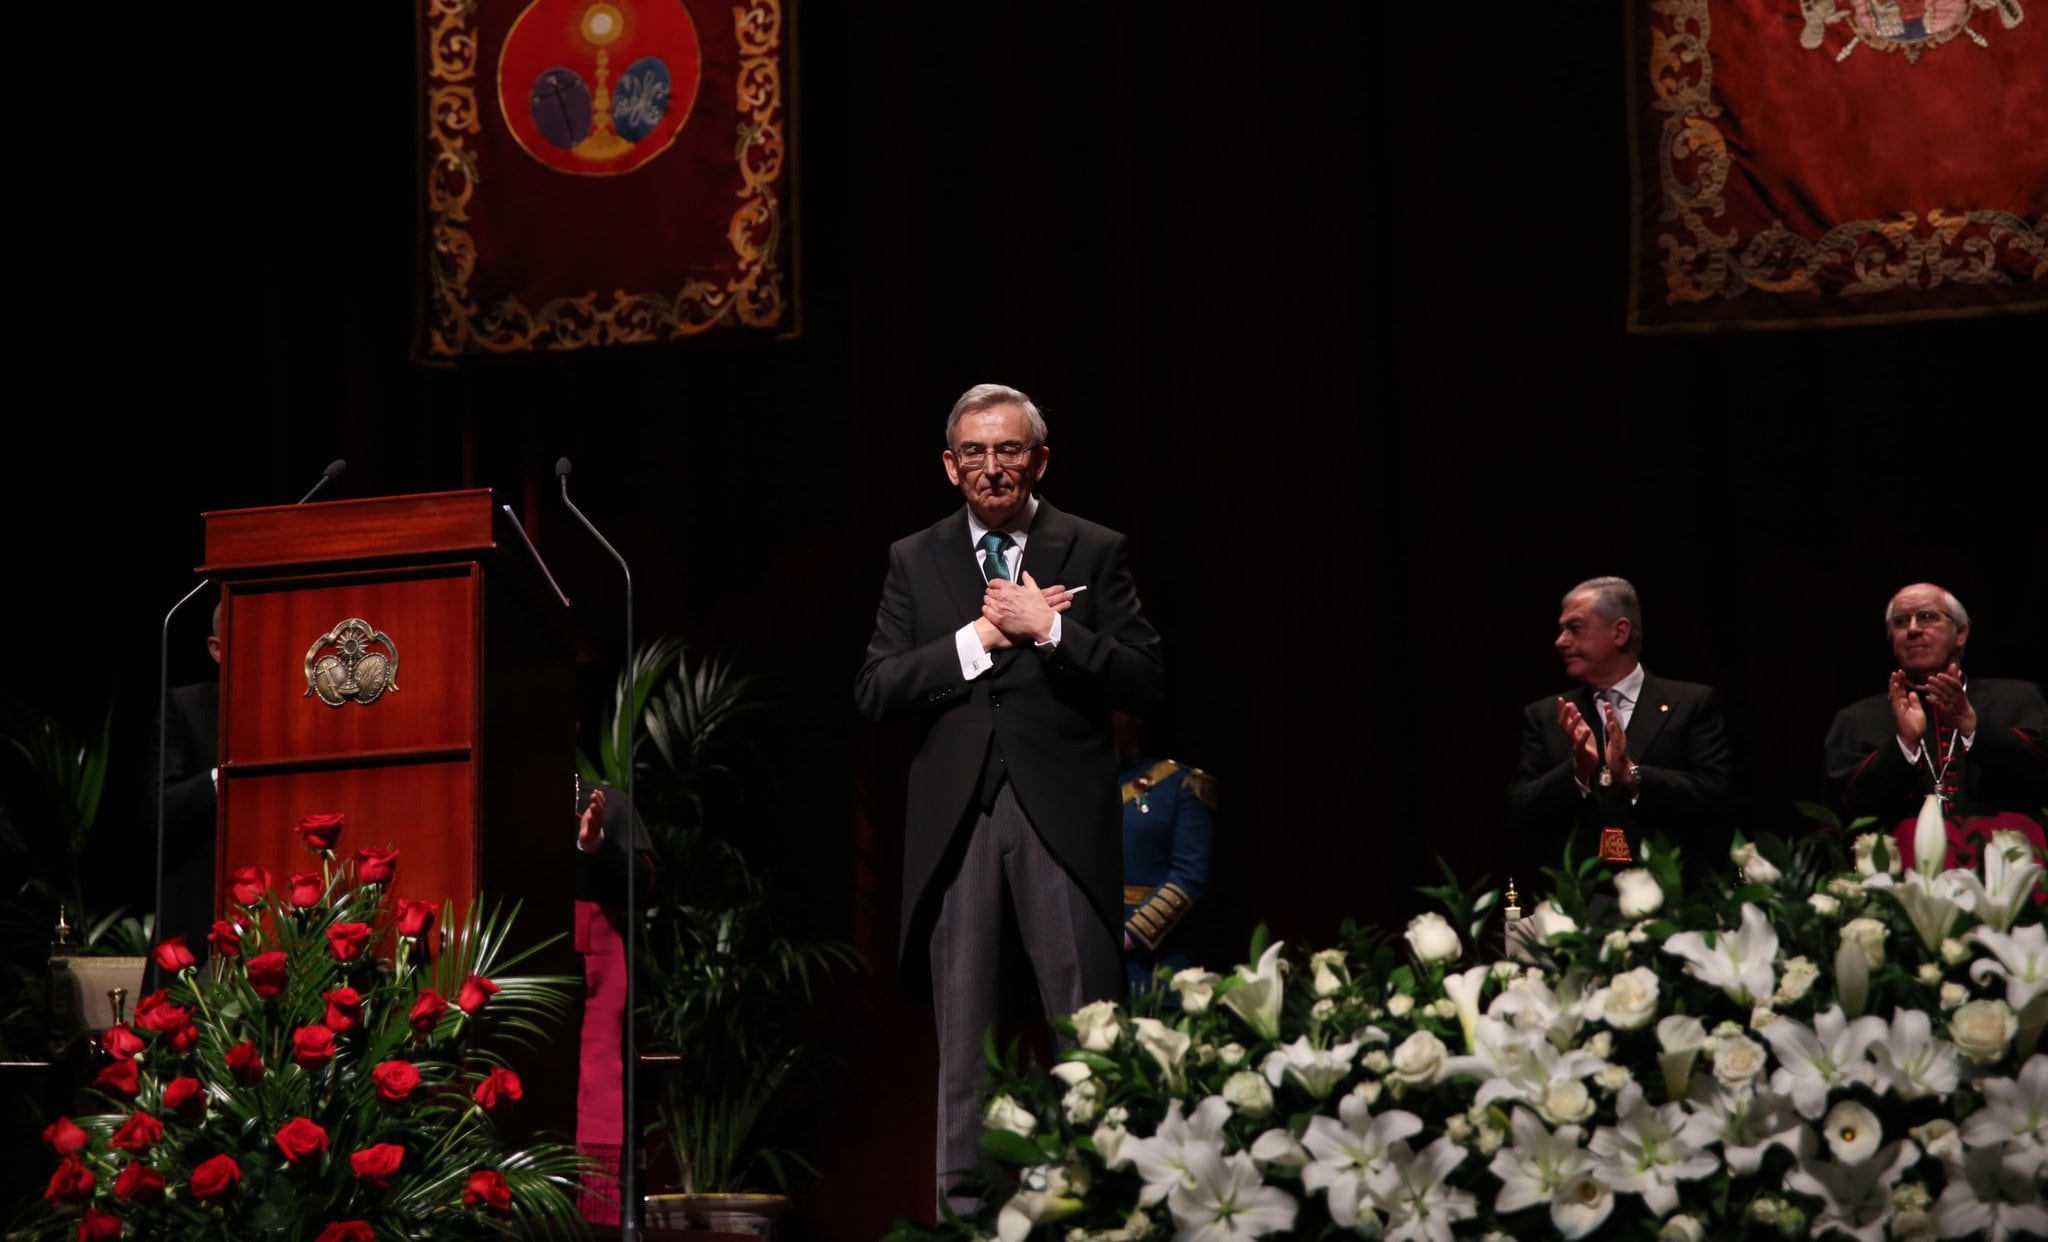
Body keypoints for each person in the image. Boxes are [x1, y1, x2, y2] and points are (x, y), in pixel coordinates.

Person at [854, 382, 1164, 1214]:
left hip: (1060, 817)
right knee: (965, 1048)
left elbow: (1145, 678)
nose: (994, 467)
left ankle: (1106, 1215)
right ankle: (965, 1224)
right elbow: (875, 690)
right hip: (959, 820)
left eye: (1010, 450)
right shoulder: (914, 560)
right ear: (951, 467)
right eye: (977, 453)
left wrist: (1052, 629)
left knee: (1086, 1033)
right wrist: (980, 638)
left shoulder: (1092, 549)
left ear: (1040, 459)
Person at [1506, 576, 1737, 861]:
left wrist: (1632, 775)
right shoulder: (1547, 715)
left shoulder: (1690, 704)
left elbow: (1717, 798)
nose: (1560, 641)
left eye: (1574, 629)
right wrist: (1576, 772)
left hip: (1671, 892)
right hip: (1581, 897)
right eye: (1561, 630)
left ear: (1620, 632)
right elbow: (1518, 812)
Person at [1823, 583, 2048, 849]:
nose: (1913, 629)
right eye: (1900, 622)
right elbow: (1842, 815)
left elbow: (2040, 778)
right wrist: (1903, 746)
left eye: (1927, 617)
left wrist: (1972, 726)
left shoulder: (2019, 698)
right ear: (1892, 643)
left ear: (1961, 633)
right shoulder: (1855, 720)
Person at [572, 775, 656, 1227]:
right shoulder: (499, 793)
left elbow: (645, 884)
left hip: (597, 983)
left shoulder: (608, 802)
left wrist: (595, 843)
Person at [142, 602, 222, 964]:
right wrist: (224, 778)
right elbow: (161, 806)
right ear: (216, 649)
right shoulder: (184, 707)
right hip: (201, 909)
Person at [1114, 710, 1214, 995]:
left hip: (1150, 964)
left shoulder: (1177, 784)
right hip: (1078, 955)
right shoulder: (1072, 789)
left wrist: (1129, 936)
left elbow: (1189, 876)